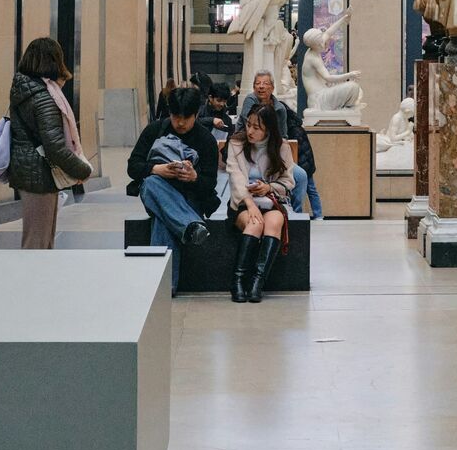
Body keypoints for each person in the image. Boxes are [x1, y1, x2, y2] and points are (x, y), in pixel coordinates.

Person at [6, 38, 93, 250]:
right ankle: (32, 282)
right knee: (37, 243)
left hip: (31, 171)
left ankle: (39, 281)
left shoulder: (25, 91)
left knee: (41, 242)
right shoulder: (43, 97)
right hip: (38, 175)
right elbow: (54, 146)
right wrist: (82, 169)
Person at [126, 85, 220, 280]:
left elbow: (210, 184)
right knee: (151, 183)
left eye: (186, 118)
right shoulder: (155, 130)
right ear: (170, 113)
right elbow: (133, 167)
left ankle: (161, 286)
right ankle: (191, 225)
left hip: (189, 199)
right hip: (157, 191)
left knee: (164, 220)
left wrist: (194, 177)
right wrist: (156, 169)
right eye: (176, 116)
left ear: (196, 114)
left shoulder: (206, 140)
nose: (181, 123)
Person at [224, 105, 296, 302]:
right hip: (242, 203)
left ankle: (258, 282)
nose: (250, 131)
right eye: (248, 125)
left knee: (273, 224)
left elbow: (289, 181)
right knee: (255, 223)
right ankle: (237, 281)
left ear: (269, 129)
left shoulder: (281, 147)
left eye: (257, 127)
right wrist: (250, 202)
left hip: (271, 201)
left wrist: (269, 187)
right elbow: (235, 177)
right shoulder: (236, 144)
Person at [239, 70, 320, 217]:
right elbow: (243, 132)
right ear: (253, 87)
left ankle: (294, 213)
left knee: (301, 175)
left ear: (272, 87)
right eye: (257, 83)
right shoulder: (250, 101)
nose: (261, 87)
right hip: (250, 150)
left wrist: (279, 155)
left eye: (265, 83)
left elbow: (283, 137)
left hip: (273, 152)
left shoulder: (280, 108)